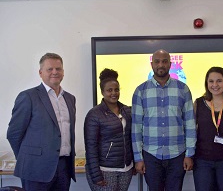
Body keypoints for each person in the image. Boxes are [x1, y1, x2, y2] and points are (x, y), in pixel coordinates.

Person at [7, 53, 76, 191]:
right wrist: (28, 158)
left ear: (63, 72)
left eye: (58, 69)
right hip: (35, 169)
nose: (55, 72)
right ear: (40, 73)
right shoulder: (28, 97)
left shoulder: (70, 99)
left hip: (64, 167)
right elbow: (14, 134)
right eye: (50, 69)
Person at [131, 49, 197, 191]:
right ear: (151, 64)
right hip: (150, 155)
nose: (161, 65)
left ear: (170, 64)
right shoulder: (140, 91)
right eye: (157, 61)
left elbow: (190, 124)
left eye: (164, 61)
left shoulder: (183, 89)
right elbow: (136, 127)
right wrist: (138, 158)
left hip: (177, 154)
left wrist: (189, 154)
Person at [84, 68, 134, 191]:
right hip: (104, 170)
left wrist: (132, 163)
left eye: (116, 90)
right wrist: (96, 175)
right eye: (109, 90)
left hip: (125, 169)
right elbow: (91, 147)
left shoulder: (127, 111)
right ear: (102, 92)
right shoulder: (94, 114)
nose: (114, 93)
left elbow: (131, 139)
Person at [193, 67, 223, 191]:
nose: (215, 85)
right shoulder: (198, 103)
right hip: (203, 161)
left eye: (219, 81)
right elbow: (191, 131)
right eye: (211, 81)